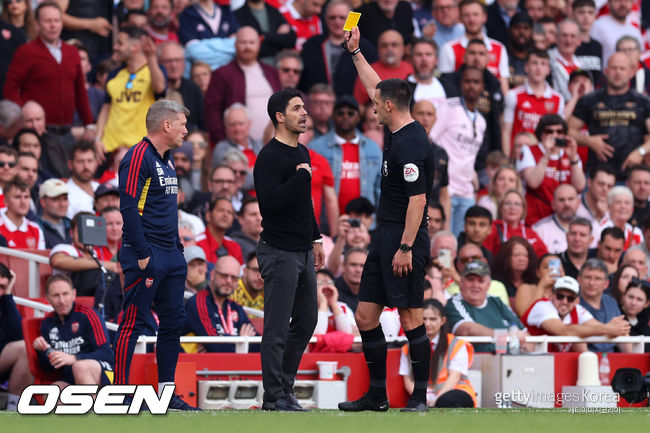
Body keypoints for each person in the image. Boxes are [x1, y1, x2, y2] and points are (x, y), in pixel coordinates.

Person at [338, 26, 434, 413]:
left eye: (376, 103)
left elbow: (419, 199)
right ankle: (378, 396)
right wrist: (357, 53)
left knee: (411, 316)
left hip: (405, 237)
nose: (371, 106)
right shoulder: (399, 126)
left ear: (389, 107)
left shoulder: (410, 143)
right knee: (365, 315)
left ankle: (420, 396)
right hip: (385, 234)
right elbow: (379, 85)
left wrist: (406, 247)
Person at [113, 100, 199, 410]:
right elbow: (128, 208)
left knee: (174, 322)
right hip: (147, 254)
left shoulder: (169, 158)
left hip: (171, 255)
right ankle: (119, 394)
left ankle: (167, 393)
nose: (185, 130)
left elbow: (167, 208)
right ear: (166, 125)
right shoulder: (137, 156)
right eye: (182, 124)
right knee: (133, 322)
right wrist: (143, 253)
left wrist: (177, 249)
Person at [253, 89, 325, 411]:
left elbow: (303, 202)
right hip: (278, 249)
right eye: (297, 108)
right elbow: (269, 205)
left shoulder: (303, 154)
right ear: (280, 117)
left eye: (304, 107)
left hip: (302, 250)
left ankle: (284, 387)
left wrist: (317, 237)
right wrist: (299, 179)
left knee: (308, 319)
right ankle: (274, 396)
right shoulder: (268, 157)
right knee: (277, 327)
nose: (304, 112)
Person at [3, 2, 95, 150]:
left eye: (57, 21)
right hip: (37, 133)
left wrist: (89, 124)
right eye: (48, 21)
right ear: (37, 24)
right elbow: (11, 89)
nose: (53, 25)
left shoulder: (72, 52)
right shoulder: (25, 52)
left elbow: (80, 92)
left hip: (66, 132)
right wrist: (26, 118)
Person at [569, 52, 650, 181]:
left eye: (622, 68)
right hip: (597, 176)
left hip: (632, 178)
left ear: (631, 72)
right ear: (605, 71)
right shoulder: (590, 100)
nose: (617, 72)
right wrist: (589, 141)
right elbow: (568, 130)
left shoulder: (643, 102)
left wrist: (640, 152)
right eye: (613, 68)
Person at [95, 26, 166, 159]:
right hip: (109, 149)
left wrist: (151, 57)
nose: (115, 47)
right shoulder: (114, 74)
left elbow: (159, 88)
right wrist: (97, 139)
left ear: (135, 46)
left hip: (141, 150)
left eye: (120, 43)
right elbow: (106, 108)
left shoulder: (155, 70)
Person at [431, 67, 486, 237]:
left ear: (482, 87)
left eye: (476, 82)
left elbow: (470, 156)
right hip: (446, 190)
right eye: (467, 81)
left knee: (460, 243)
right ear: (461, 84)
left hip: (467, 192)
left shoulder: (482, 121)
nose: (472, 86)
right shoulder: (449, 107)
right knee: (442, 242)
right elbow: (431, 140)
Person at [32, 274, 114, 388]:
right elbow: (48, 370)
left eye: (65, 294)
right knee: (51, 392)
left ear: (74, 294)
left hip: (104, 373)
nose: (61, 300)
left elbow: (107, 354)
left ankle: (96, 404)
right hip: (71, 378)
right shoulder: (47, 323)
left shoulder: (88, 314)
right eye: (56, 295)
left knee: (79, 367)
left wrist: (74, 358)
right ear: (47, 298)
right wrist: (41, 351)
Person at [205, 26, 281, 143]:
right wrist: (223, 142)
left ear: (259, 44)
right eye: (243, 42)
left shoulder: (272, 72)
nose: (247, 47)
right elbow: (212, 111)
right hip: (239, 147)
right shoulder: (222, 74)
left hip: (274, 144)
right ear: (235, 44)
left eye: (251, 42)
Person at [310, 95, 382, 212]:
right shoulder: (316, 147)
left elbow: (380, 188)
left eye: (350, 113)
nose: (345, 116)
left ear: (358, 117)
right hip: (328, 222)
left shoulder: (372, 148)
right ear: (333, 116)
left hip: (365, 223)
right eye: (340, 113)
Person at [522, 275, 631, 352]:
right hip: (531, 364)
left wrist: (617, 328)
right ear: (551, 296)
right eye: (560, 296)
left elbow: (598, 326)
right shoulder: (542, 306)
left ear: (577, 301)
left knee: (581, 339)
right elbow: (564, 331)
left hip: (555, 364)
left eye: (570, 298)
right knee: (578, 332)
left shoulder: (577, 309)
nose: (564, 302)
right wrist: (607, 329)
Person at [399, 299, 476, 408]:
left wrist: (436, 399)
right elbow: (408, 380)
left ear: (443, 320)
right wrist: (422, 399)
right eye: (424, 319)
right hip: (426, 396)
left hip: (455, 390)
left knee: (446, 401)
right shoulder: (407, 348)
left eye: (433, 319)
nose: (428, 323)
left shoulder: (456, 344)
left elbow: (454, 377)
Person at [444, 259, 529, 352]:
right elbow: (467, 330)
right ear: (461, 282)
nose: (475, 285)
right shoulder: (453, 302)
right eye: (470, 280)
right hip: (473, 362)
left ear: (488, 285)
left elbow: (525, 334)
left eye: (480, 281)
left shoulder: (496, 301)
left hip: (509, 360)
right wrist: (506, 335)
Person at [298, 0, 376, 96]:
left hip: (353, 106)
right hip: (317, 104)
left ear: (351, 19)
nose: (337, 21)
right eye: (332, 17)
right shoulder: (311, 45)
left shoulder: (365, 48)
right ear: (325, 19)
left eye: (342, 17)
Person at [184, 255, 257, 353]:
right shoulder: (198, 302)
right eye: (224, 276)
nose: (229, 281)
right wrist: (241, 341)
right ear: (212, 275)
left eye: (234, 278)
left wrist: (240, 342)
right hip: (202, 367)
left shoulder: (234, 307)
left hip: (233, 367)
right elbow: (215, 346)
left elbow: (258, 344)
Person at [438, 0, 510, 95]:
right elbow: (445, 85)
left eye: (475, 14)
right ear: (460, 18)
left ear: (484, 17)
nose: (471, 20)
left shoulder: (499, 48)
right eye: (466, 15)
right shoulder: (449, 48)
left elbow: (504, 86)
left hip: (491, 106)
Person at [502, 50, 565, 157]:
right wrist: (507, 161)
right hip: (519, 156)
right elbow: (506, 131)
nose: (538, 68)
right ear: (526, 68)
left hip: (545, 157)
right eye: (534, 63)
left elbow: (560, 133)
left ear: (548, 70)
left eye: (543, 64)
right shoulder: (513, 95)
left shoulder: (558, 99)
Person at [578, 258, 631, 352]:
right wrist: (609, 329)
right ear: (579, 279)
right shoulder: (570, 301)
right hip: (585, 359)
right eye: (587, 277)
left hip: (611, 359)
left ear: (606, 284)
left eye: (597, 278)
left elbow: (622, 334)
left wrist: (633, 358)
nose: (591, 283)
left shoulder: (610, 301)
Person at [352, 30, 414, 107]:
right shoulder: (367, 71)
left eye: (394, 45)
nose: (389, 49)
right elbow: (359, 104)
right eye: (384, 45)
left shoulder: (413, 70)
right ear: (378, 49)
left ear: (403, 49)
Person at [0, 264, 31, 411]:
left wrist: (7, 295)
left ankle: (14, 408)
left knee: (26, 348)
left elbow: (19, 333)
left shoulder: (3, 302)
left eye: (2, 287)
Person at [483, 189, 548, 258]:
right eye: (507, 203)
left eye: (517, 204)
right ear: (501, 208)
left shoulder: (530, 233)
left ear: (523, 209)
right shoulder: (492, 228)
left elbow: (545, 257)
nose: (512, 207)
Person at [157, 41, 204, 131]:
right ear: (158, 63)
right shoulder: (151, 88)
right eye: (168, 61)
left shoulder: (193, 89)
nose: (174, 65)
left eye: (177, 60)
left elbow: (202, 125)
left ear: (184, 63)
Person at [445, 242, 511, 306]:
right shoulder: (448, 287)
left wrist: (457, 278)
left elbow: (483, 305)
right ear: (458, 265)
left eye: (475, 258)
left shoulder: (497, 286)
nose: (470, 262)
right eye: (465, 260)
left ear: (485, 261)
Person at [590, 0, 642, 70]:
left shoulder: (635, 31)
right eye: (617, 0)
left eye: (627, 1)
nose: (623, 4)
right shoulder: (598, 26)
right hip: (606, 78)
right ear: (608, 3)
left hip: (633, 78)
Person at [531, 185, 581, 254]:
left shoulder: (591, 226)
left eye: (570, 199)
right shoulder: (540, 230)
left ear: (578, 202)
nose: (566, 204)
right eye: (561, 200)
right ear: (553, 204)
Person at [196, 197, 243, 265]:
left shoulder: (235, 247)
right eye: (220, 210)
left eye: (229, 212)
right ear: (208, 215)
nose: (225, 215)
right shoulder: (197, 243)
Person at [0, 178, 45, 249]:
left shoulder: (36, 229)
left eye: (26, 197)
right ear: (5, 201)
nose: (23, 201)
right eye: (17, 197)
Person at [549, 20, 584, 101]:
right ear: (556, 37)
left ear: (579, 40)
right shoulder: (546, 61)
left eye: (572, 36)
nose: (568, 40)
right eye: (564, 35)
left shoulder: (580, 64)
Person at [408, 38, 447, 109]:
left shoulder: (448, 86)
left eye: (428, 54)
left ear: (436, 60)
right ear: (411, 59)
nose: (424, 59)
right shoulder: (403, 89)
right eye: (419, 55)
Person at [601, 186, 643, 250]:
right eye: (618, 202)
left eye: (627, 203)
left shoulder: (637, 233)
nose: (623, 206)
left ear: (632, 209)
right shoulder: (600, 228)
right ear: (609, 207)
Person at [576, 164, 616, 232]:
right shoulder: (574, 205)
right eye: (601, 184)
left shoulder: (615, 209)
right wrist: (598, 218)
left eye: (609, 186)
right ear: (589, 182)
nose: (605, 189)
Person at [65, 141, 98, 219]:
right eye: (80, 161)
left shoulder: (100, 188)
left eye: (89, 161)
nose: (86, 166)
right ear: (70, 164)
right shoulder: (65, 193)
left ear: (96, 163)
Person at [573, 0, 603, 85]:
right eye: (581, 12)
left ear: (595, 15)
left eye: (590, 12)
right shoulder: (567, 44)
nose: (586, 17)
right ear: (573, 14)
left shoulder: (598, 46)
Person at [37, 178, 71, 248]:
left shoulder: (73, 225)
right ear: (43, 202)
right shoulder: (36, 228)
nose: (62, 204)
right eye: (56, 199)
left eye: (65, 199)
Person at [620, 281, 650, 351]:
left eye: (639, 299)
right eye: (630, 297)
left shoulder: (645, 321)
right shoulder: (614, 314)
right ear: (623, 296)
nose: (633, 303)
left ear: (646, 304)